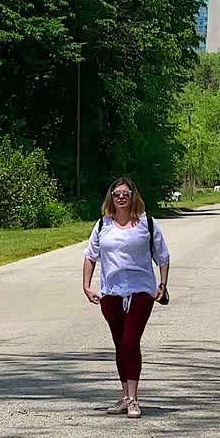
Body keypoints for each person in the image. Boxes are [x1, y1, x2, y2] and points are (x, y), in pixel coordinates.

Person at [82, 176, 170, 419]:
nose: (121, 197)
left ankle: (133, 399)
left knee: (131, 342)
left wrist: (162, 283)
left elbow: (162, 256)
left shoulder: (146, 224)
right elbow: (90, 256)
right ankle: (124, 396)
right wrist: (87, 286)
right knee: (120, 345)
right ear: (111, 197)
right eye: (117, 193)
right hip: (111, 293)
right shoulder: (103, 225)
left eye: (126, 193)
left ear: (134, 197)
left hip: (141, 291)